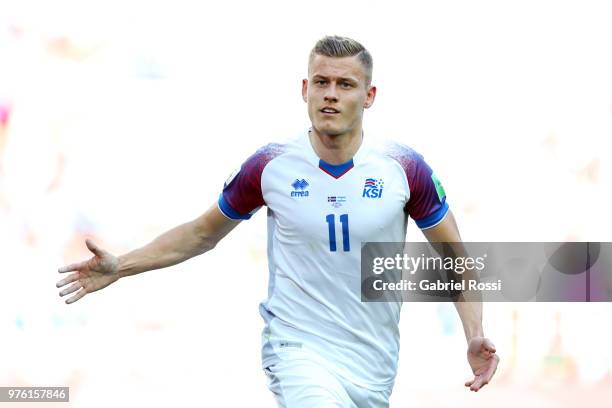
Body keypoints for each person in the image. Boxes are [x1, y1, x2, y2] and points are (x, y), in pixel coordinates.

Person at [57, 35, 499, 407]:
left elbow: (454, 258)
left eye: (345, 84)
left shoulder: (404, 168)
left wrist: (474, 334)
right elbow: (200, 233)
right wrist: (122, 265)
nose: (331, 93)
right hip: (296, 348)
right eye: (321, 82)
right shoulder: (271, 165)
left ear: (369, 96)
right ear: (305, 89)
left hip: (374, 362)